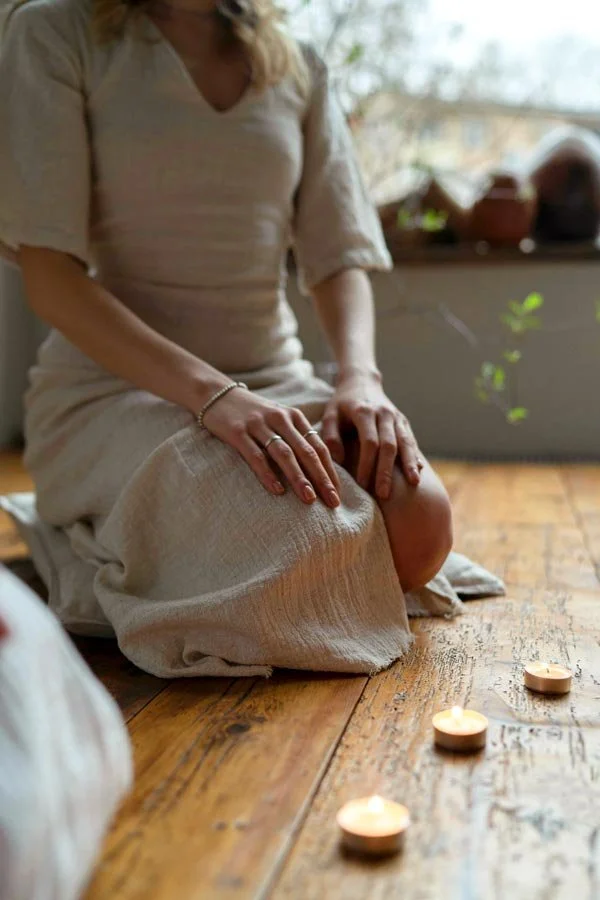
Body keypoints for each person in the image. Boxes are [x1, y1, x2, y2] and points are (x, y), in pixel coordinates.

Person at [0, 0, 453, 678]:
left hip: (272, 381)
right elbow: (51, 279)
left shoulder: (299, 65)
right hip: (111, 392)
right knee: (297, 536)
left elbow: (338, 259)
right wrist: (214, 397)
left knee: (422, 524)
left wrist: (359, 379)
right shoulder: (54, 30)